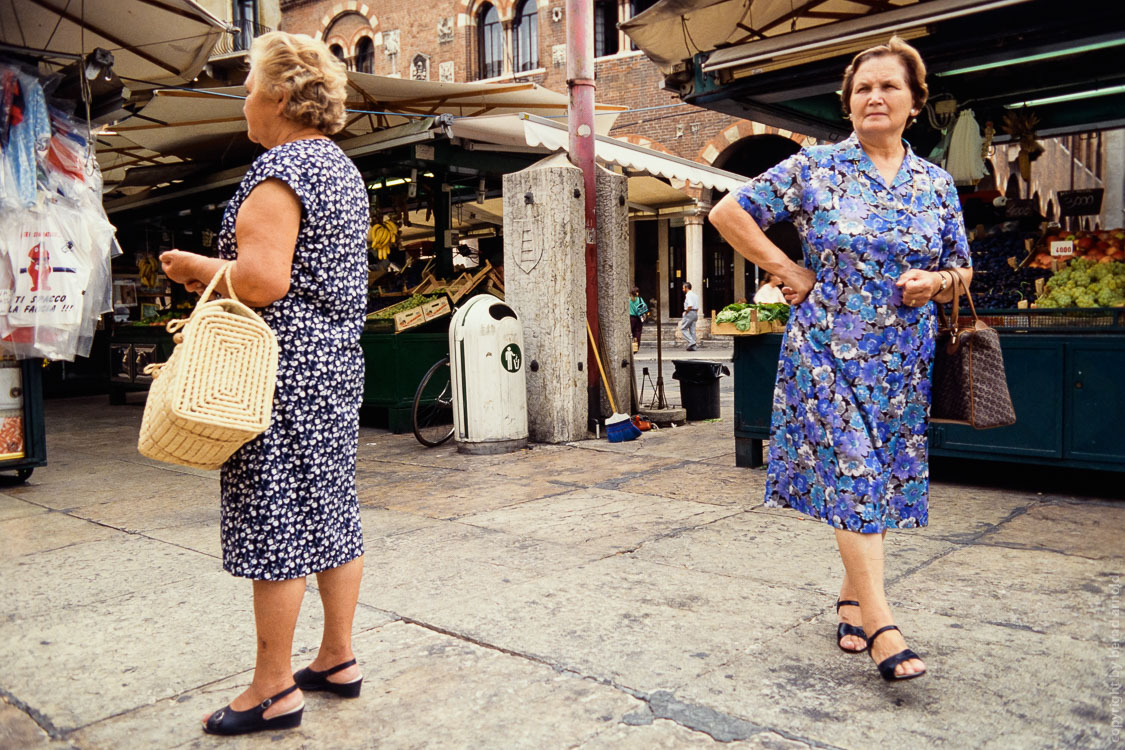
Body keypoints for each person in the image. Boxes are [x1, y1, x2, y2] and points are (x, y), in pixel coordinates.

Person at [708, 36, 971, 682]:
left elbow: (962, 269)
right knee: (854, 478)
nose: (873, 97)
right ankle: (882, 624)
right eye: (861, 89)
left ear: (914, 103)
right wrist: (785, 267)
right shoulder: (814, 167)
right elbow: (728, 212)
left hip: (899, 367)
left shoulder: (934, 184)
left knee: (874, 488)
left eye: (887, 87)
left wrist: (933, 284)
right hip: (824, 353)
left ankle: (851, 601)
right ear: (846, 104)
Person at [159, 31, 369, 734]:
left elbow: (261, 281)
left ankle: (273, 687)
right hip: (335, 364)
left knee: (275, 515)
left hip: (277, 370)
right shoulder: (339, 168)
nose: (244, 102)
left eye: (248, 88)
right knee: (331, 508)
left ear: (280, 96)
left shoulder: (279, 170)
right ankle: (337, 657)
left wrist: (192, 265)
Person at [679, 281, 700, 351]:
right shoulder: (695, 295)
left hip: (689, 312)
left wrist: (686, 312)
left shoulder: (688, 295)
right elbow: (697, 307)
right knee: (692, 330)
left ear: (686, 288)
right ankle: (693, 347)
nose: (682, 290)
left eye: (683, 288)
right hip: (695, 313)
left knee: (683, 328)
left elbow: (690, 305)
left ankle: (692, 342)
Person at [629, 286, 649, 352]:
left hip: (631, 318)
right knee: (637, 333)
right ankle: (636, 347)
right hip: (638, 318)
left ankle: (629, 347)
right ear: (637, 292)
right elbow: (644, 307)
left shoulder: (628, 299)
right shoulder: (640, 299)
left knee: (630, 332)